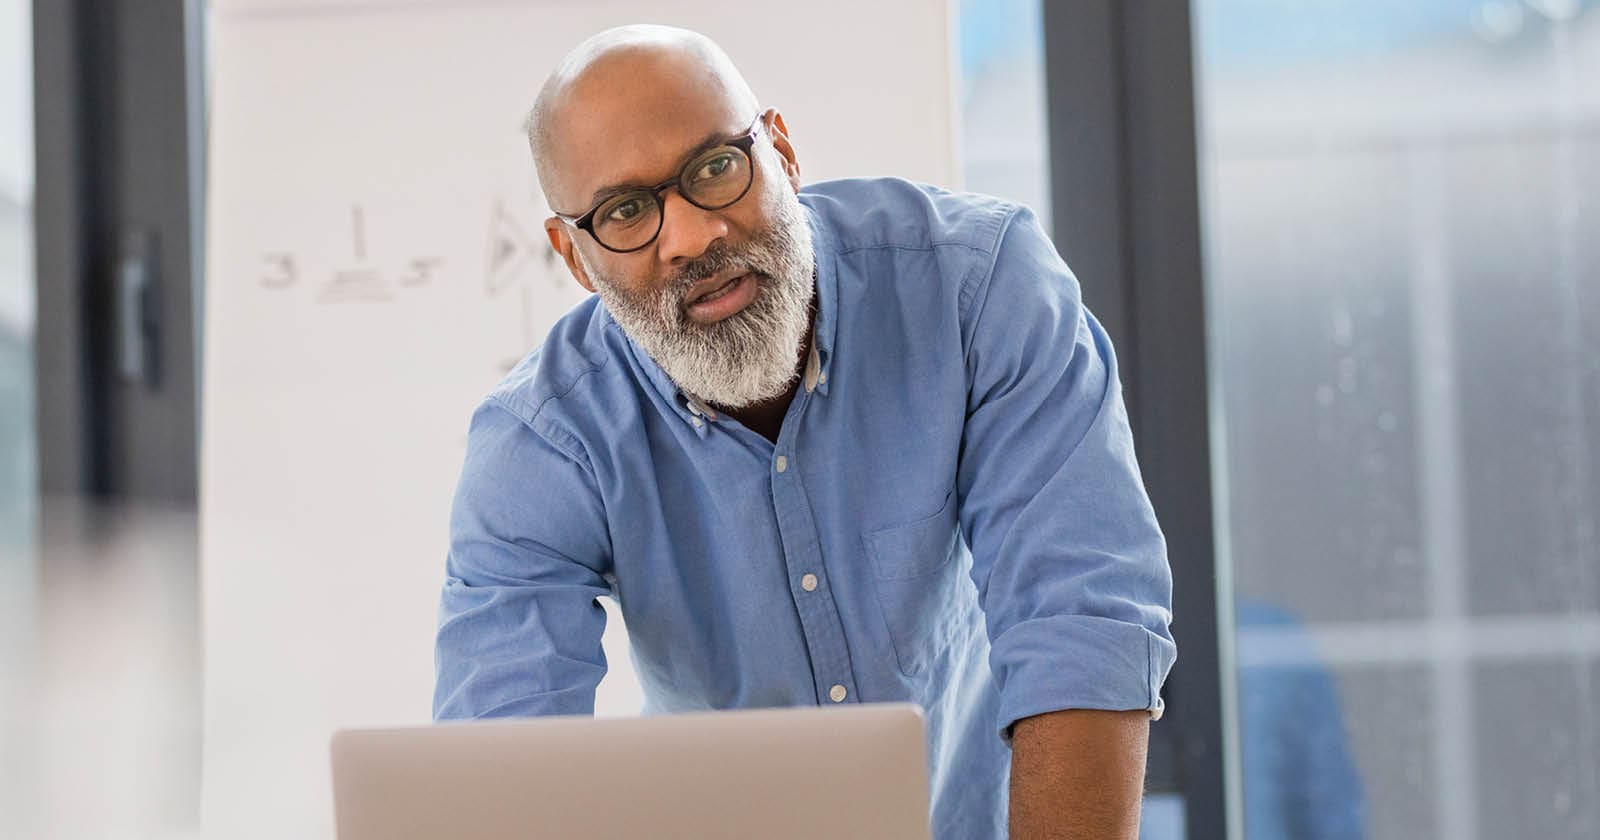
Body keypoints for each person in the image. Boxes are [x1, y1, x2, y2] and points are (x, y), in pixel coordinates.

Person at [433, 24, 1176, 840]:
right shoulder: (542, 442)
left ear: (780, 152)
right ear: (576, 259)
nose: (691, 238)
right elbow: (501, 771)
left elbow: (1079, 620)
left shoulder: (980, 289)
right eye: (625, 211)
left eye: (716, 167)